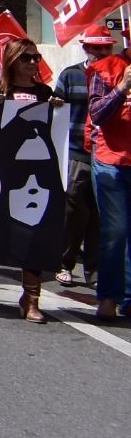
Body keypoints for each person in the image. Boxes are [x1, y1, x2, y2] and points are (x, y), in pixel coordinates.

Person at [0, 37, 64, 321]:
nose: (33, 63)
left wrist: (57, 108)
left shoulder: (44, 91)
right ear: (12, 60)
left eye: (36, 57)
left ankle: (31, 298)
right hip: (1, 171)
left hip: (37, 174)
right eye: (26, 58)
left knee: (36, 231)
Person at [54, 25, 114, 286]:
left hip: (108, 154)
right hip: (77, 151)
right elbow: (54, 107)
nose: (101, 52)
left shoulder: (121, 76)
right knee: (74, 209)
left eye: (106, 47)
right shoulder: (70, 75)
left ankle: (94, 271)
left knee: (101, 215)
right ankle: (64, 262)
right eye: (95, 47)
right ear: (85, 48)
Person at [85, 32, 131, 322]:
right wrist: (123, 87)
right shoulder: (107, 69)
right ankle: (109, 296)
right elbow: (97, 112)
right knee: (116, 233)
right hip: (112, 160)